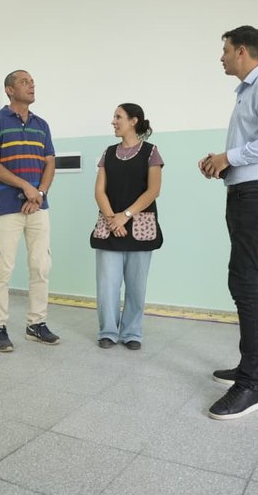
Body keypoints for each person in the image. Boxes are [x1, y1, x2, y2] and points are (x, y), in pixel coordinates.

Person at [199, 25, 258, 420]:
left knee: (242, 281)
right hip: (248, 194)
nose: (220, 57)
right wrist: (222, 163)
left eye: (224, 50)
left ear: (242, 51)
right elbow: (255, 148)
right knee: (256, 281)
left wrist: (230, 158)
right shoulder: (247, 92)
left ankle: (250, 385)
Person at [0, 69, 59, 352]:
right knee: (2, 268)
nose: (31, 86)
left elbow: (49, 163)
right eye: (25, 82)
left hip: (38, 206)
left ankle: (36, 324)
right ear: (10, 90)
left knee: (41, 267)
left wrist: (38, 193)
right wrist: (25, 186)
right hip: (7, 207)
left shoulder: (42, 124)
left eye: (33, 82)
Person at [90, 103, 163, 350]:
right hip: (110, 225)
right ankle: (108, 331)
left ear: (134, 121)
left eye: (118, 117)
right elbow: (99, 190)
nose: (113, 121)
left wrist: (127, 215)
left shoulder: (151, 152)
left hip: (140, 227)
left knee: (136, 286)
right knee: (107, 286)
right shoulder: (108, 153)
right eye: (113, 117)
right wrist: (113, 218)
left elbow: (153, 190)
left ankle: (132, 333)